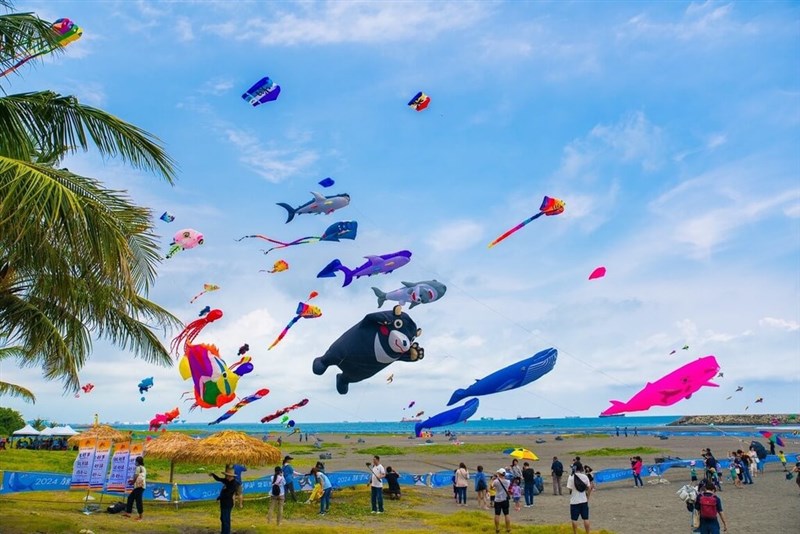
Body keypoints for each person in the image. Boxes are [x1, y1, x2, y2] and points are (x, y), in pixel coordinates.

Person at [210, 467, 240, 534]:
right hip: (224, 502)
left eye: (227, 476)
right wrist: (213, 475)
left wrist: (219, 497)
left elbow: (228, 493)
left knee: (225, 519)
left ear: (230, 476)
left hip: (228, 503)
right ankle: (224, 531)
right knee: (223, 518)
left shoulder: (234, 484)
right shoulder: (227, 481)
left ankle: (226, 532)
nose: (226, 477)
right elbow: (219, 479)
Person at [566, 462, 591, 534]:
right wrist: (587, 496)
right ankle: (587, 532)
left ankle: (575, 533)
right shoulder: (585, 477)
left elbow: (570, 489)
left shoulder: (571, 477)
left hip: (574, 501)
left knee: (574, 519)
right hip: (583, 500)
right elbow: (589, 488)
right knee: (586, 518)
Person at [123, 456, 146, 521]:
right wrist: (133, 481)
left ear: (138, 462)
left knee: (138, 501)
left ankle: (140, 516)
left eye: (136, 461)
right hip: (140, 486)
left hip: (139, 487)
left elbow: (136, 477)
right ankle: (128, 513)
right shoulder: (143, 468)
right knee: (130, 498)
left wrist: (132, 482)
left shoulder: (138, 468)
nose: (135, 462)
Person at [492, 468, 512, 534]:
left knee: (497, 514)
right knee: (506, 514)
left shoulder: (496, 481)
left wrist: (494, 479)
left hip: (497, 499)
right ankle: (508, 528)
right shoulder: (508, 481)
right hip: (505, 499)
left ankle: (497, 528)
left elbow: (492, 487)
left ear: (499, 474)